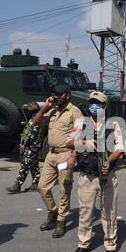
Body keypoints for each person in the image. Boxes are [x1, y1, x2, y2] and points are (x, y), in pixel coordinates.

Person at [66, 91, 124, 252]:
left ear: (105, 106)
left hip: (107, 175)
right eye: (92, 102)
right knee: (85, 211)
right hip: (87, 176)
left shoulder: (113, 124)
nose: (94, 106)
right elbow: (69, 142)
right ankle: (83, 243)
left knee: (109, 212)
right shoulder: (81, 122)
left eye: (98, 103)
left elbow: (119, 148)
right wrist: (85, 143)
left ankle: (111, 246)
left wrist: (108, 162)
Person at [34, 85, 82, 237]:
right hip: (51, 155)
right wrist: (45, 107)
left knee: (64, 189)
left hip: (65, 154)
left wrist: (74, 156)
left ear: (67, 95)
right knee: (42, 187)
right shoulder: (53, 110)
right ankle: (53, 211)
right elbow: (36, 122)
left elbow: (79, 137)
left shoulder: (74, 112)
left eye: (59, 94)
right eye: (54, 94)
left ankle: (61, 221)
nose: (56, 97)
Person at [6, 102, 42, 194]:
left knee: (25, 166)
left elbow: (32, 136)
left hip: (32, 147)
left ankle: (17, 185)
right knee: (34, 166)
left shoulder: (36, 121)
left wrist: (24, 145)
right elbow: (27, 133)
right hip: (31, 147)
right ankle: (36, 184)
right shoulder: (32, 119)